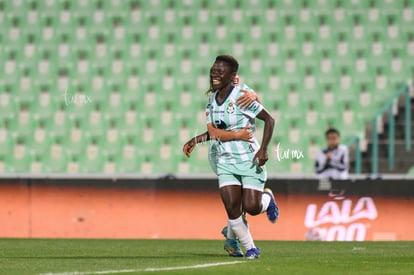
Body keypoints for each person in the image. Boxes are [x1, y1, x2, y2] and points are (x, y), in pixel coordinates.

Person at [183, 55, 278, 259]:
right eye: (213, 70)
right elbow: (215, 132)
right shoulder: (211, 100)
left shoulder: (243, 95)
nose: (215, 74)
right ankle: (250, 248)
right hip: (224, 160)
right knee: (233, 207)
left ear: (233, 76)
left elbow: (269, 118)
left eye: (220, 71)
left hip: (248, 159)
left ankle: (266, 200)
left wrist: (263, 150)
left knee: (251, 207)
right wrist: (195, 140)